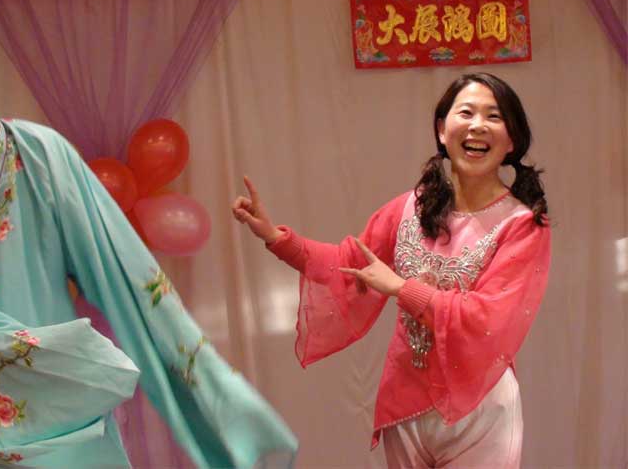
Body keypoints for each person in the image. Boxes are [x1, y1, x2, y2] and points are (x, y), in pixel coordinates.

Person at [0, 0, 297, 468]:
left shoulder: (43, 155)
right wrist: (71, 358)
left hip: (67, 420)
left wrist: (215, 387)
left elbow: (128, 275)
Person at [232, 73, 550, 468]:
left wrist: (402, 289)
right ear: (442, 129)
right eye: (466, 113)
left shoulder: (522, 226)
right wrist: (276, 237)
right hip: (405, 405)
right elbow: (348, 265)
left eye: (494, 116)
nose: (477, 125)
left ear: (512, 140)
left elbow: (489, 319)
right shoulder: (409, 208)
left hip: (479, 407)